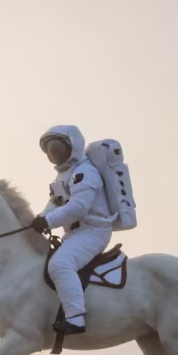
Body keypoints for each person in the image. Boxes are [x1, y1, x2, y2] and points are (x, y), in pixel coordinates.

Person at [29, 125, 114, 335]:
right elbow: (56, 202)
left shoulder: (85, 172)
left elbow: (78, 207)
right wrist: (40, 218)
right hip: (74, 234)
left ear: (73, 146)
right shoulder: (62, 176)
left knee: (60, 264)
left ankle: (76, 318)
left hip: (93, 232)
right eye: (50, 150)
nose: (54, 154)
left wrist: (48, 222)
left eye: (57, 148)